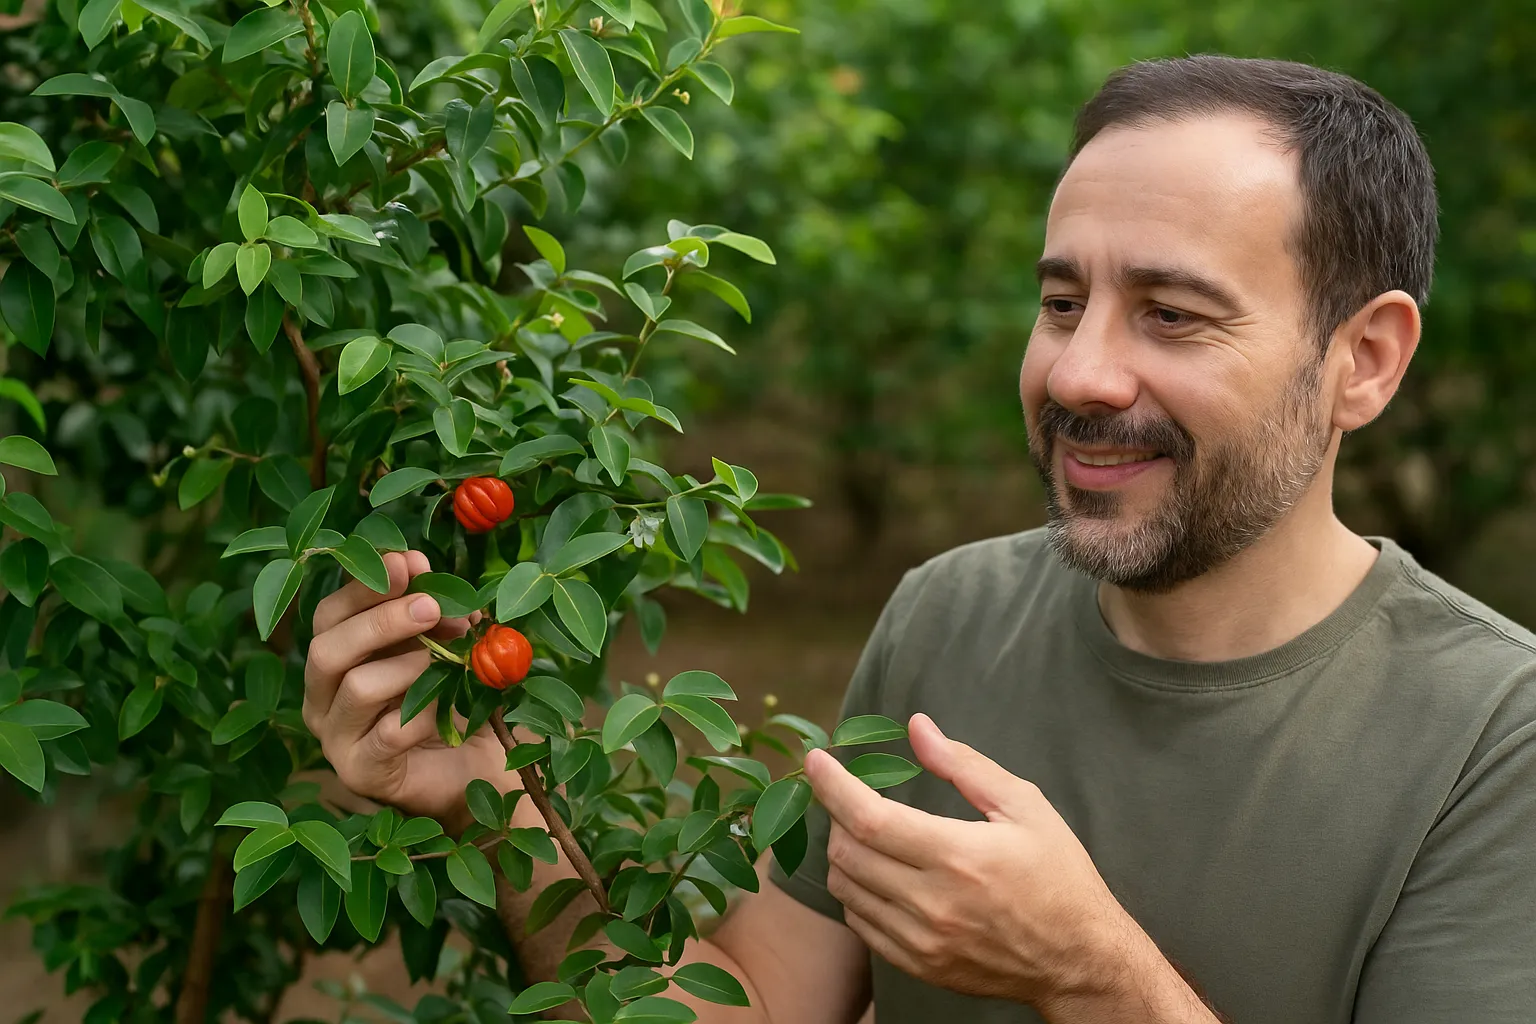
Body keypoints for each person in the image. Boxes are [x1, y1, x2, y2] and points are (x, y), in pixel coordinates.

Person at [302, 55, 1536, 1023]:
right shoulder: (947, 615)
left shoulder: (1492, 735)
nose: (1082, 371)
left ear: (1362, 360)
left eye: (1171, 313)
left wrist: (1090, 975)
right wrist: (492, 800)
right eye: (1062, 303)